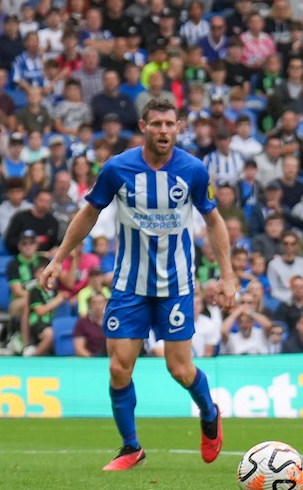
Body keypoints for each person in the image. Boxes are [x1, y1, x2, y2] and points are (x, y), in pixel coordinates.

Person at [38, 97, 236, 470]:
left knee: (179, 369)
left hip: (176, 285)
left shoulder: (193, 170)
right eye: (156, 124)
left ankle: (209, 412)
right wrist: (58, 258)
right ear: (143, 127)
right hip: (129, 284)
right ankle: (131, 447)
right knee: (118, 368)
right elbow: (90, 213)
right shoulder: (118, 168)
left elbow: (213, 221)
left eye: (170, 124)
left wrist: (227, 276)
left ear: (179, 128)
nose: (164, 131)